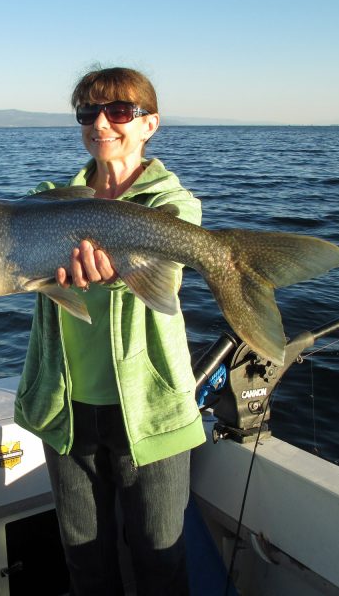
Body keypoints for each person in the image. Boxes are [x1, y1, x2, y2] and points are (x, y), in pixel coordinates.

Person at [14, 67, 204, 596]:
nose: (101, 122)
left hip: (153, 409)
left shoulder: (173, 206)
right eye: (88, 112)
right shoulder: (46, 200)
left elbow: (162, 277)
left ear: (150, 124)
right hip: (66, 409)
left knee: (161, 563)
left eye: (119, 111)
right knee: (85, 567)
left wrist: (118, 271)